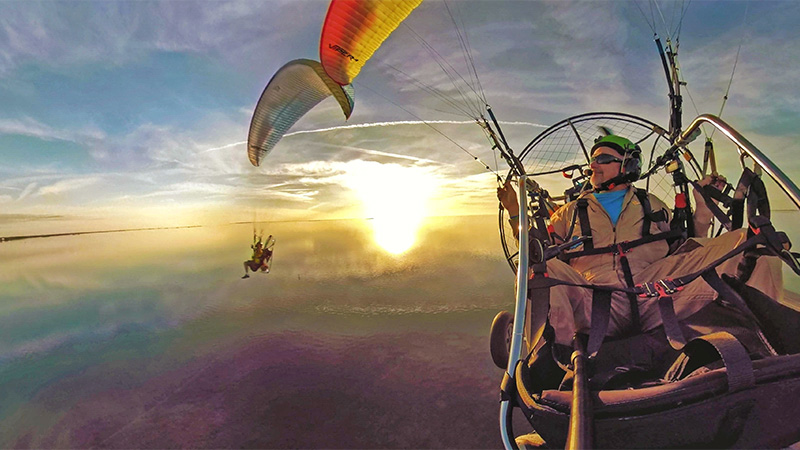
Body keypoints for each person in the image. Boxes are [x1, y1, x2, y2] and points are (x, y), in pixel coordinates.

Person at [498, 134, 783, 355]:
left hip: (657, 294)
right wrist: (514, 213)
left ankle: (763, 343)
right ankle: (550, 359)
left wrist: (703, 210)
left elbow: (688, 249)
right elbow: (536, 252)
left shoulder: (651, 204)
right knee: (540, 269)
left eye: (603, 158)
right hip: (595, 298)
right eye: (592, 160)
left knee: (752, 241)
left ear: (628, 164)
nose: (592, 165)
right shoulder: (569, 212)